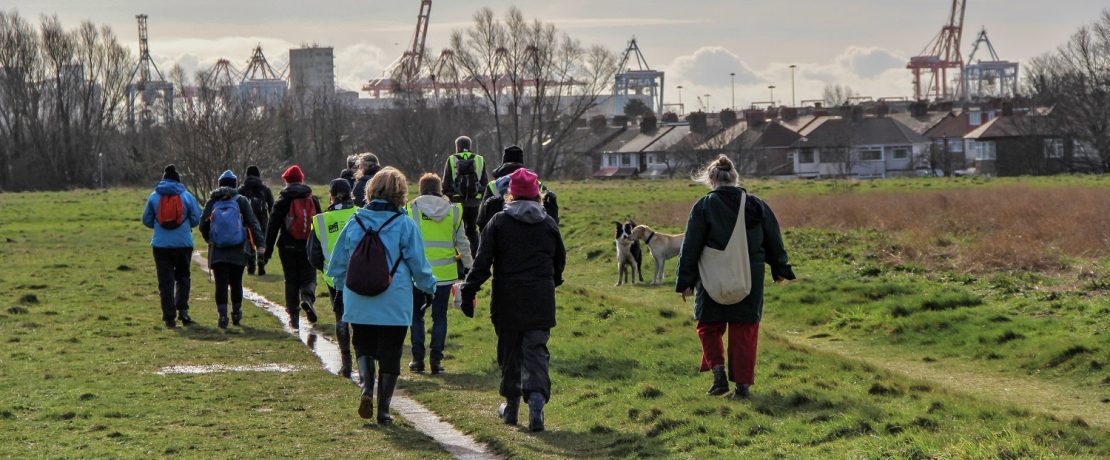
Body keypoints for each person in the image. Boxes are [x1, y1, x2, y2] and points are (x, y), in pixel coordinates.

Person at [675, 155, 795, 399]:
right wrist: (780, 269)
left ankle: (718, 374)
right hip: (750, 276)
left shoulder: (704, 206)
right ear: (734, 178)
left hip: (711, 276)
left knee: (708, 325)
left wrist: (685, 282)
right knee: (745, 330)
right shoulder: (756, 204)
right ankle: (742, 388)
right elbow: (773, 239)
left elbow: (691, 246)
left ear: (711, 180)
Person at [326, 167, 437, 424]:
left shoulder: (354, 221)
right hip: (394, 298)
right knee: (391, 351)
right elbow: (419, 266)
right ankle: (384, 410)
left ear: (371, 190)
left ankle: (366, 388)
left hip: (358, 295)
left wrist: (343, 290)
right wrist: (429, 288)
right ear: (400, 193)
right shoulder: (405, 224)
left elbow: (337, 265)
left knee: (363, 344)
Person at [460, 168, 565, 432]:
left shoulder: (498, 222)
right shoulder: (548, 223)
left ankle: (512, 407)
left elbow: (482, 263)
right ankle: (537, 401)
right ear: (537, 194)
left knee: (509, 353)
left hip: (507, 298)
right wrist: (554, 281)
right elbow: (559, 262)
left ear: (511, 194)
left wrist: (468, 291)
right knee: (536, 352)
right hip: (540, 298)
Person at [407, 173, 473, 375]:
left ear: (420, 189)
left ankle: (417, 360)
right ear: (440, 189)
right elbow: (463, 242)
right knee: (440, 317)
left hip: (417, 273)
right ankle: (436, 361)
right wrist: (469, 267)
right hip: (444, 274)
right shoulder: (453, 211)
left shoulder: (411, 209)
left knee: (416, 316)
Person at [307, 178, 360, 378]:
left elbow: (312, 255)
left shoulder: (320, 220)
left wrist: (326, 268)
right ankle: (364, 362)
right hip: (361, 277)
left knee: (341, 318)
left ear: (331, 195)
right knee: (360, 319)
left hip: (334, 279)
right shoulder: (360, 214)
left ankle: (346, 363)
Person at [199, 170, 265, 329]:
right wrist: (260, 244)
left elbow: (202, 224)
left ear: (219, 184)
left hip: (218, 251)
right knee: (236, 283)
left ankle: (222, 316)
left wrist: (210, 239)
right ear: (235, 184)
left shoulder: (212, 201)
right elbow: (252, 222)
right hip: (239, 249)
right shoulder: (241, 200)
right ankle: (236, 314)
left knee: (220, 284)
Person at [142, 164, 202, 328]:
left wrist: (159, 225)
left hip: (161, 245)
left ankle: (169, 317)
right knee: (183, 277)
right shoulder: (186, 196)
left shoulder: (154, 196)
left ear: (163, 180)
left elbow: (146, 220)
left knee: (165, 281)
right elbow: (197, 218)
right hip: (183, 244)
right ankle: (183, 312)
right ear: (178, 180)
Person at [264, 165, 322, 331]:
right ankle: (307, 298)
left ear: (286, 181)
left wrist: (266, 252)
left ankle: (294, 318)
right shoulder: (313, 198)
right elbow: (320, 225)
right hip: (308, 246)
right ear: (301, 179)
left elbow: (272, 226)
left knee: (291, 280)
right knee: (309, 276)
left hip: (287, 246)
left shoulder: (283, 199)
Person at [477, 145, 559, 231]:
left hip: (501, 236)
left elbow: (481, 220)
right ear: (522, 162)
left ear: (503, 162)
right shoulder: (537, 184)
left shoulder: (493, 186)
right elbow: (551, 219)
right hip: (535, 236)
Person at [441, 136, 488, 255]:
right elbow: (484, 183)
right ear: (470, 146)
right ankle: (475, 255)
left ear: (457, 147)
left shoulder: (452, 159)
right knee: (472, 229)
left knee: (456, 230)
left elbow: (445, 183)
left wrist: (450, 197)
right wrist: (479, 198)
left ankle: (459, 257)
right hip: (474, 203)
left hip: (456, 203)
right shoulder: (480, 159)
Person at [238, 165, 274, 276]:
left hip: (247, 221)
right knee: (261, 242)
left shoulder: (242, 189)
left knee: (249, 242)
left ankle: (251, 267)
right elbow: (272, 206)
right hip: (263, 220)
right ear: (258, 175)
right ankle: (261, 264)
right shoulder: (265, 189)